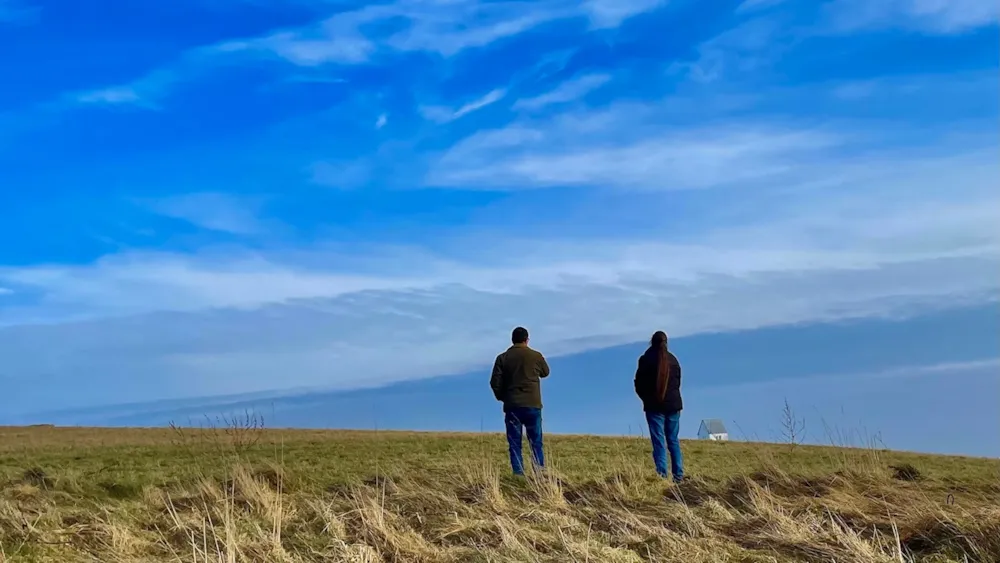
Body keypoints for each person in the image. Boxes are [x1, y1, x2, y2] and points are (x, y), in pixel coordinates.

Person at [490, 326, 551, 475]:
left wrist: (503, 397)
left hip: (512, 405)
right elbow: (546, 372)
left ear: (512, 340)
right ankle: (539, 473)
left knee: (515, 443)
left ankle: (518, 475)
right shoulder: (536, 356)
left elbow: (494, 382)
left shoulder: (502, 358)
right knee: (536, 442)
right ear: (527, 340)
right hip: (533, 404)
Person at [634, 330, 684, 482]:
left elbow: (638, 383)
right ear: (666, 342)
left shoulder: (646, 359)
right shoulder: (674, 360)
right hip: (674, 406)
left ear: (652, 342)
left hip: (654, 407)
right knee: (673, 440)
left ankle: (662, 476)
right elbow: (677, 384)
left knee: (659, 441)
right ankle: (678, 476)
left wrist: (646, 399)